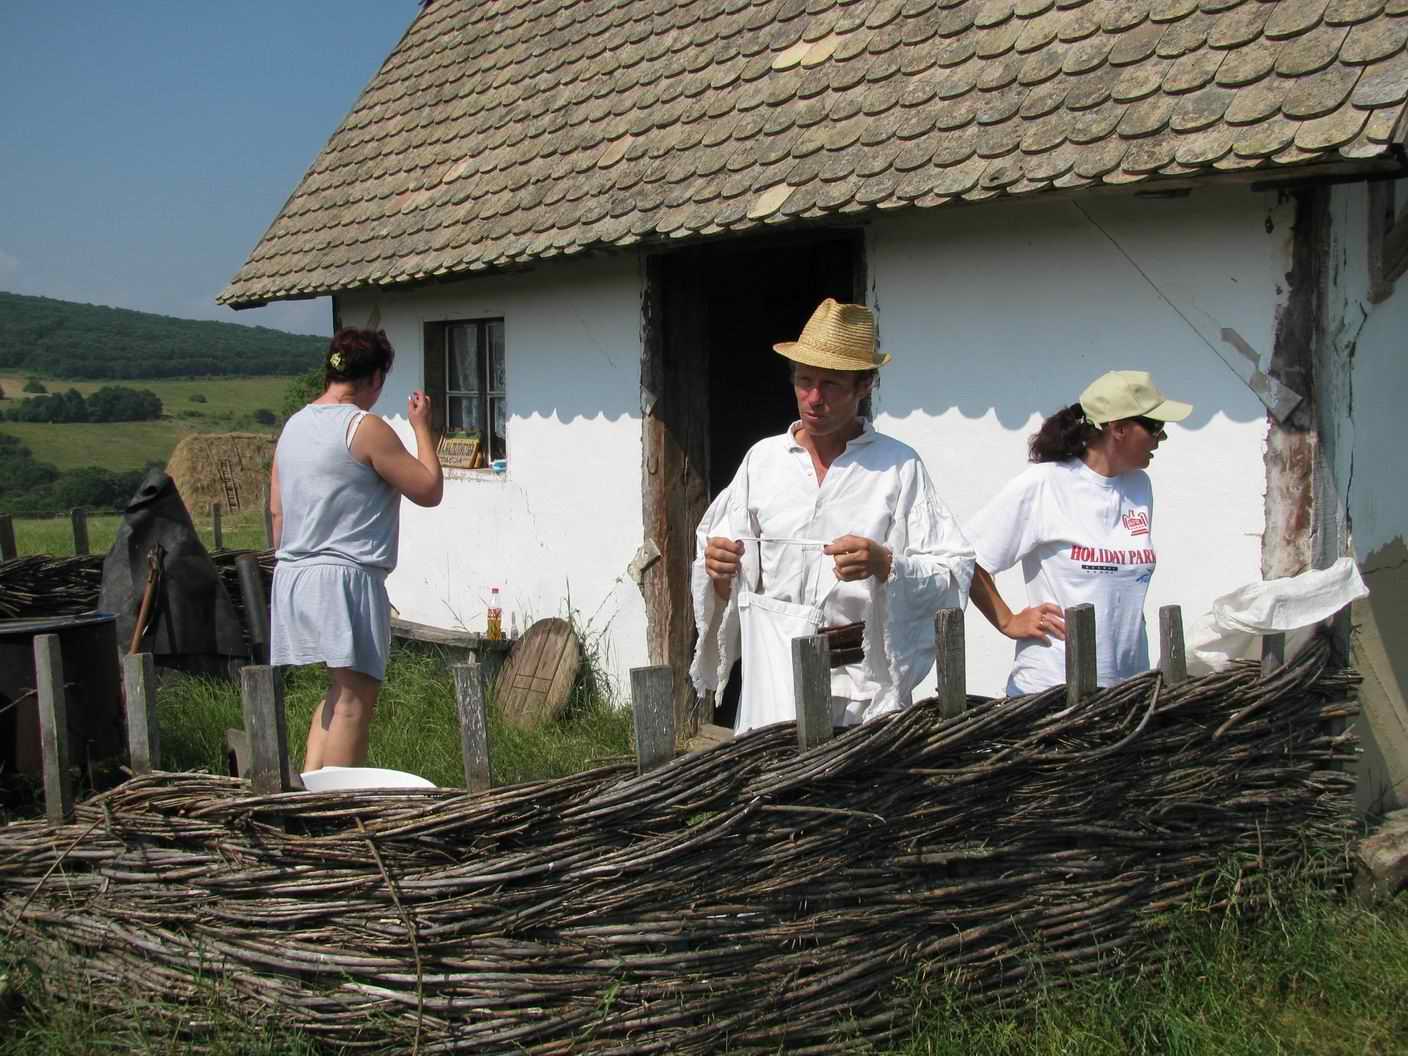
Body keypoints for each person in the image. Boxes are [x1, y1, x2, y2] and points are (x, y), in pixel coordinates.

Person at [690, 298, 975, 734]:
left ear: (865, 386)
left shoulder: (898, 467)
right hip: (774, 680)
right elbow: (728, 579)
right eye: (804, 381)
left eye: (831, 385)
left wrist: (885, 564)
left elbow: (952, 570)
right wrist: (718, 568)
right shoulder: (762, 461)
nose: (814, 399)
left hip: (862, 690)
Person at [269, 328, 444, 771]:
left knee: (338, 692)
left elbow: (276, 512)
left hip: (294, 571)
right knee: (355, 701)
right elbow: (428, 489)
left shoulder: (294, 425)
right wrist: (422, 429)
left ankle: (310, 787)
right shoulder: (363, 428)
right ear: (376, 378)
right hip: (344, 577)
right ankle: (339, 802)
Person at [966, 370, 1192, 696]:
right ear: (1118, 428)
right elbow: (967, 557)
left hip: (1127, 690)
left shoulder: (1139, 486)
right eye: (1155, 426)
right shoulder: (1045, 483)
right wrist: (1008, 620)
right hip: (1051, 692)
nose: (1162, 438)